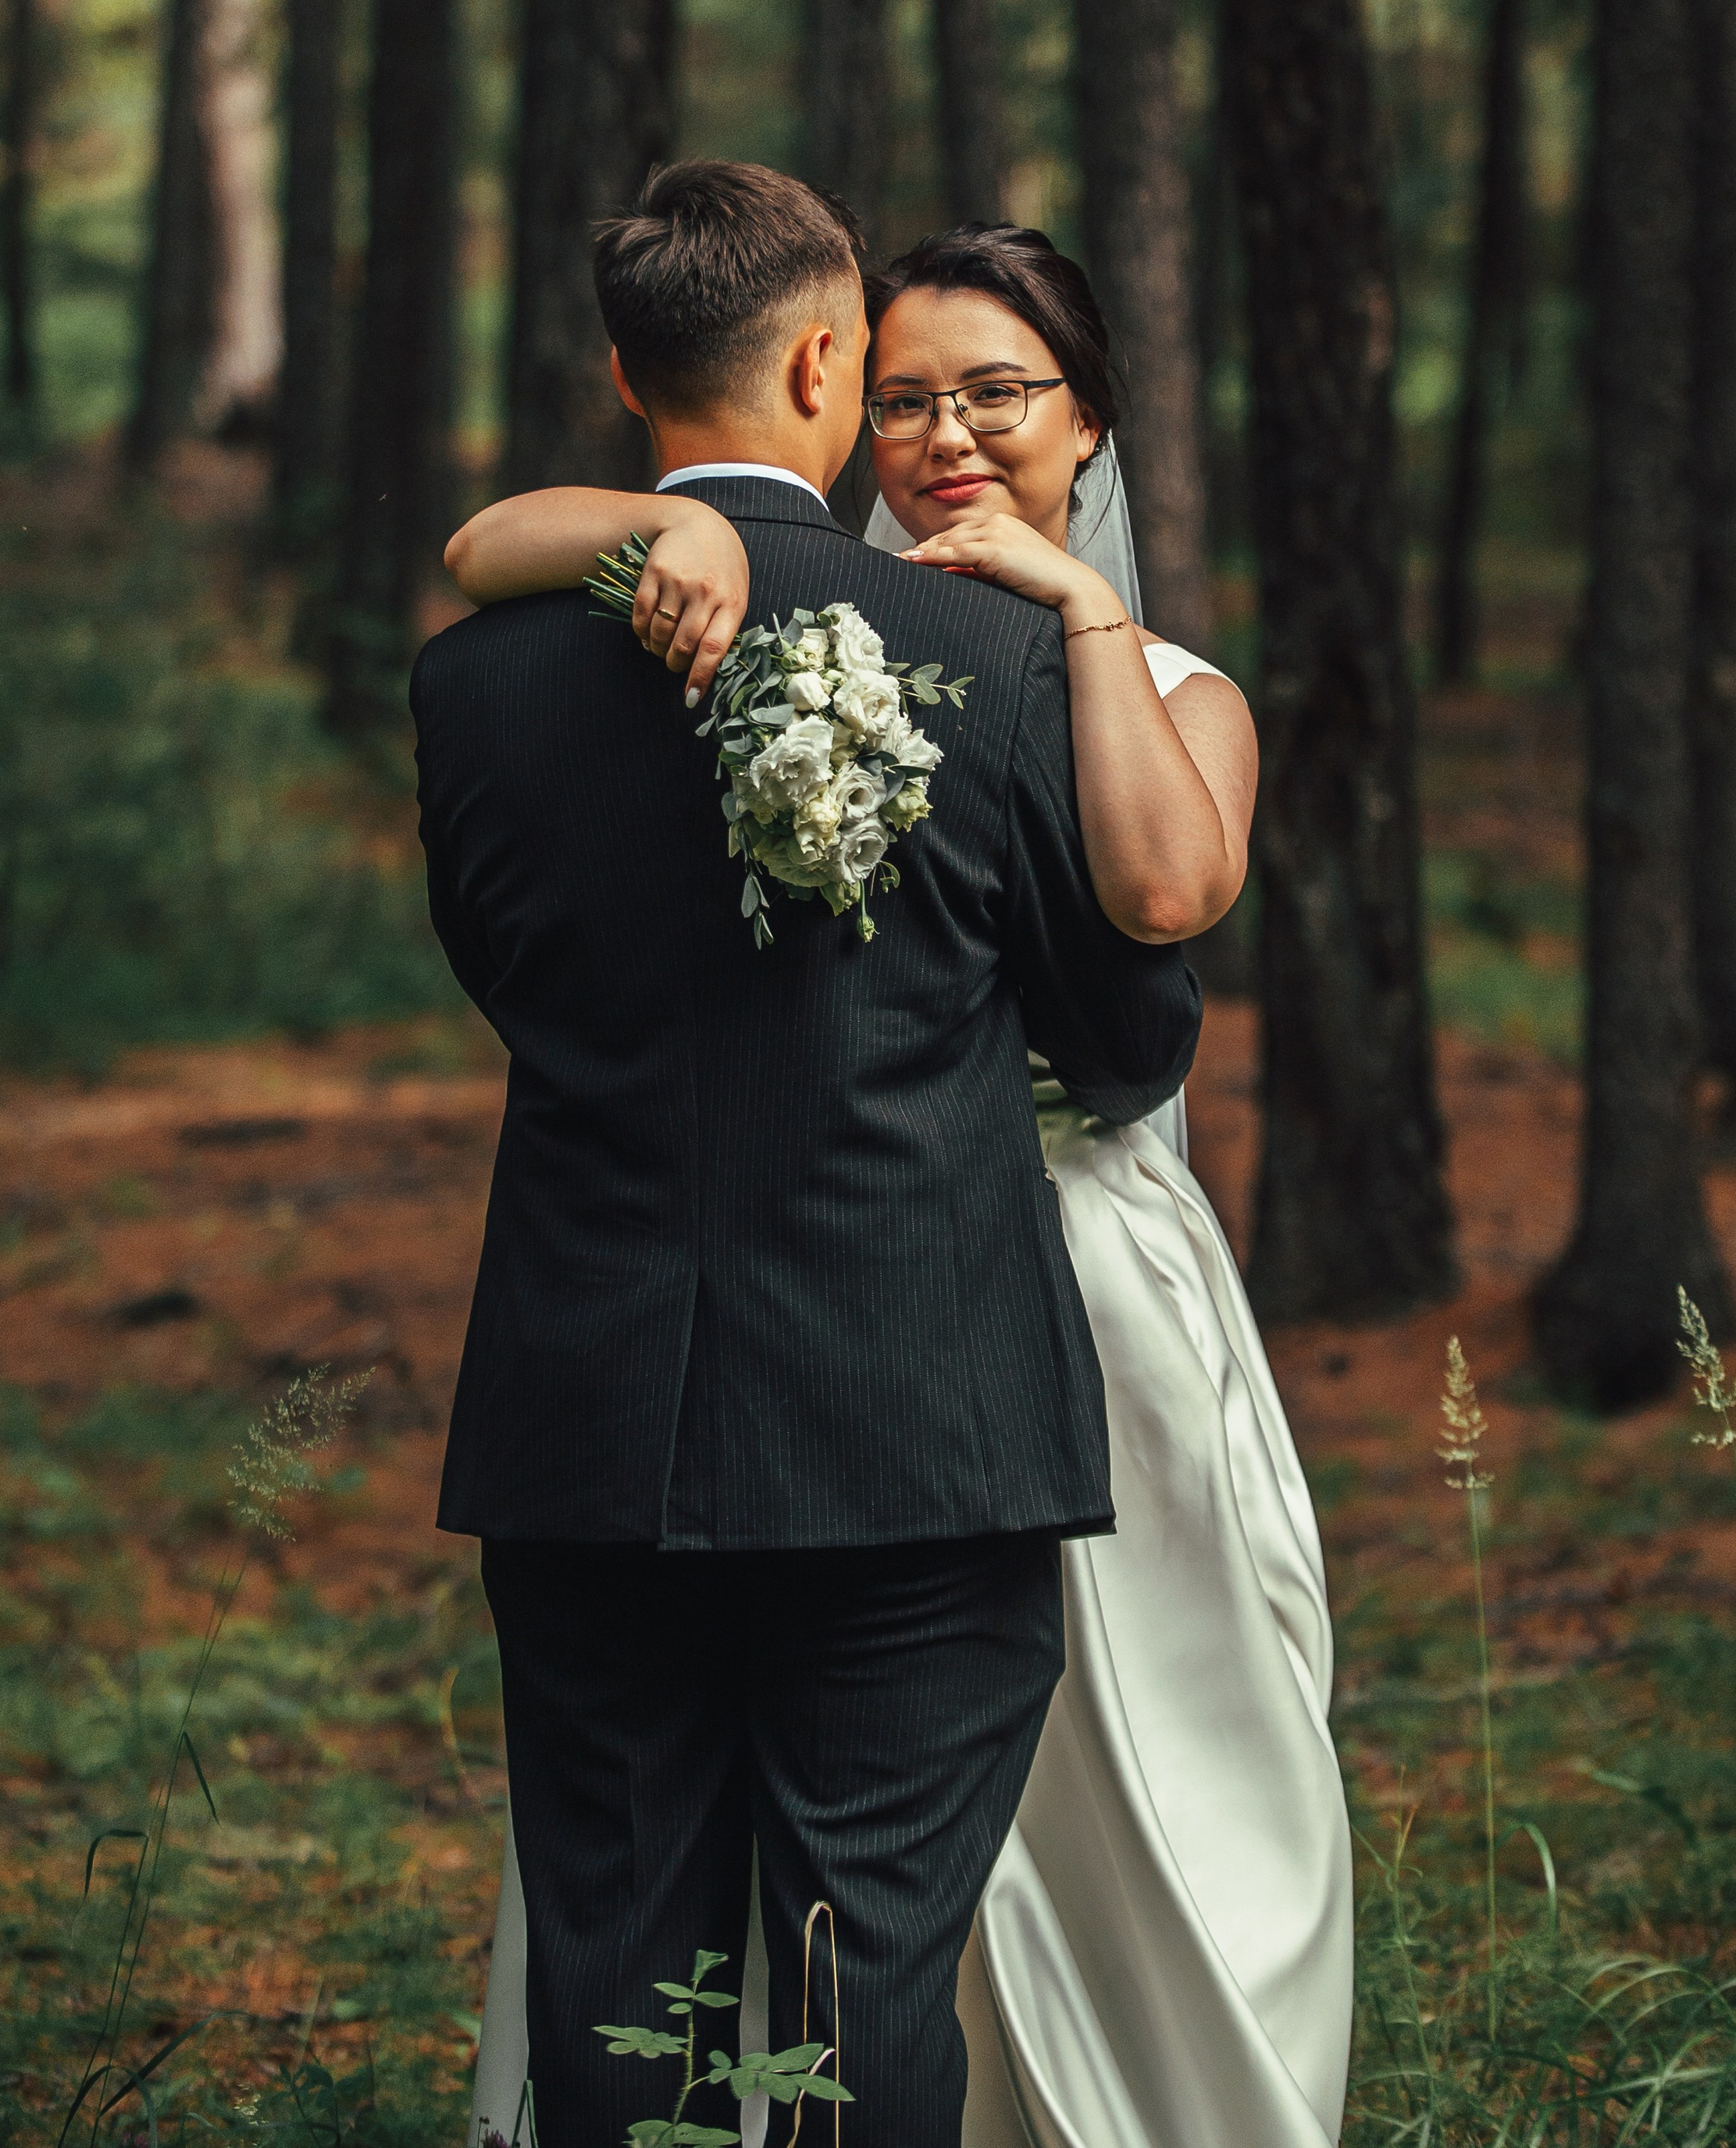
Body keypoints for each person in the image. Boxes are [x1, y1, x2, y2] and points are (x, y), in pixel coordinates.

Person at [451, 217, 1355, 2148]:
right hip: (877, 1325)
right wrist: (663, 527)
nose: (947, 435)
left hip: (1055, 1294)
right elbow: (488, 550)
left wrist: (1077, 628)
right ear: (841, 394)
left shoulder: (1129, 676)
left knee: (1092, 1815)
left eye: (999, 395)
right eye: (913, 396)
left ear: (1088, 419)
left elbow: (1163, 925)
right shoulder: (766, 623)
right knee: (864, 1898)